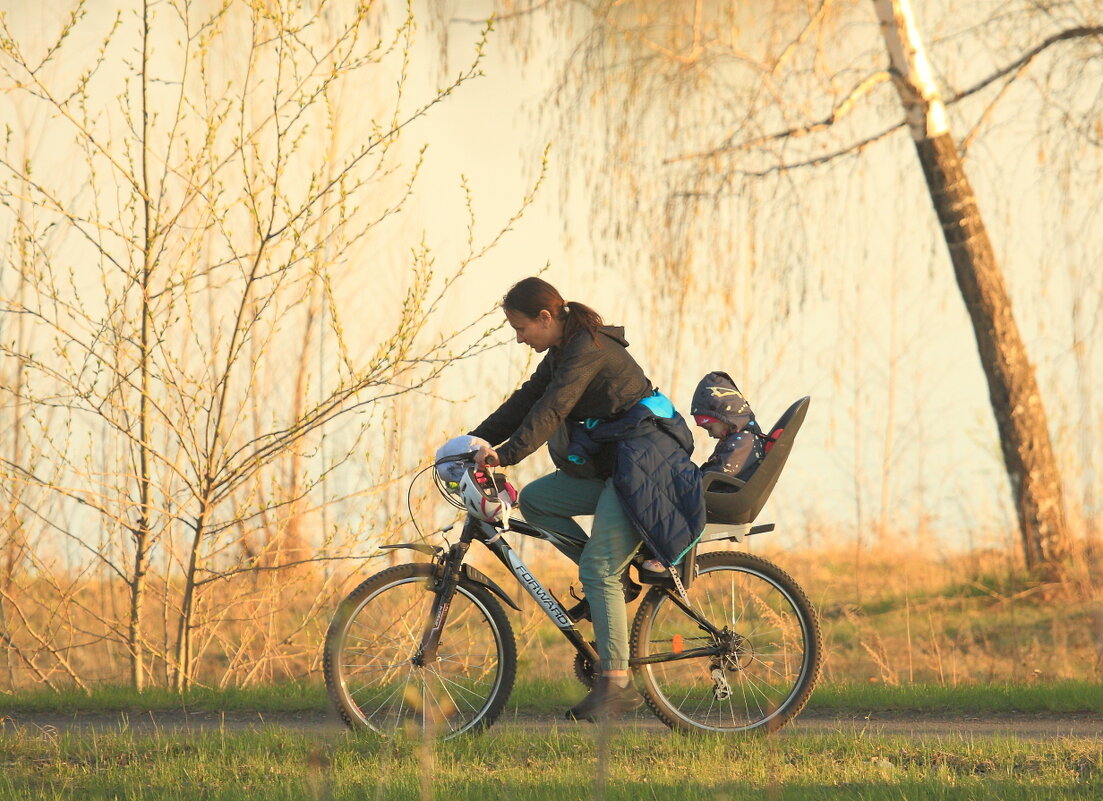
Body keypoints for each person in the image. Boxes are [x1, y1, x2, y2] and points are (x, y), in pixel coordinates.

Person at [467, 276, 704, 722]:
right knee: (537, 502)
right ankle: (616, 583)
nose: (518, 338)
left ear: (545, 317)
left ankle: (616, 684)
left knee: (598, 566)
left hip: (646, 470)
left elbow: (552, 408)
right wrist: (475, 439)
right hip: (618, 468)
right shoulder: (561, 350)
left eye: (520, 328)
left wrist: (507, 455)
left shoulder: (587, 349)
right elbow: (527, 401)